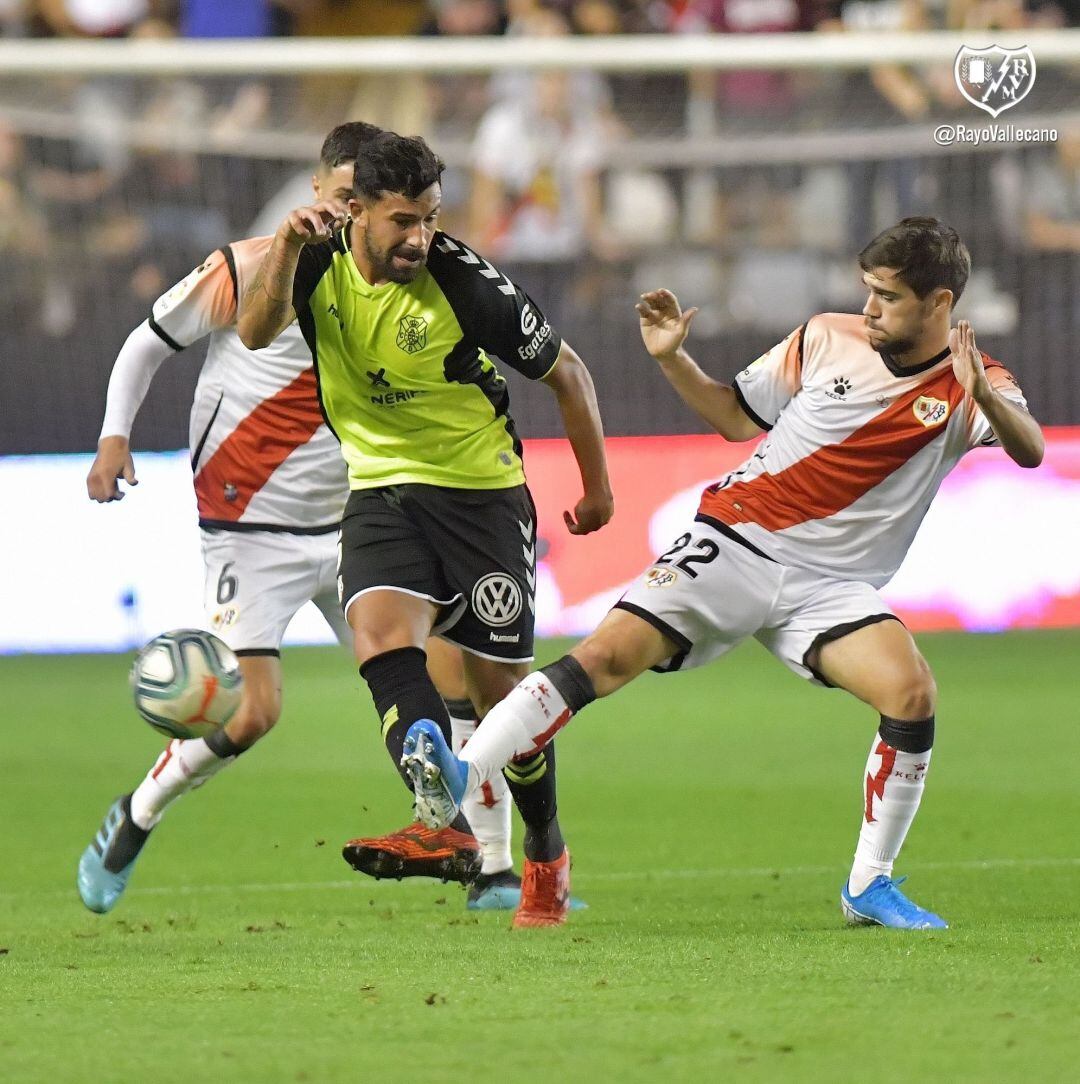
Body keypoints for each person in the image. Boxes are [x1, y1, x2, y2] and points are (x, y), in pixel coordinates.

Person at [403, 216, 1045, 929]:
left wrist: (980, 398)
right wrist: (674, 358)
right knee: (606, 657)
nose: (869, 308)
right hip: (739, 538)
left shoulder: (978, 384)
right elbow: (736, 419)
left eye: (887, 297)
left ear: (939, 305)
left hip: (829, 587)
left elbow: (1030, 450)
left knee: (911, 691)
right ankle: (461, 784)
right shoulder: (827, 335)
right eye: (868, 291)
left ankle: (869, 887)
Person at [76, 123, 523, 915]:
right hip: (249, 525)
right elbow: (147, 343)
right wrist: (115, 436)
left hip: (360, 513)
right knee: (254, 711)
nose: (353, 210)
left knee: (457, 677)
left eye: (367, 201)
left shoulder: (406, 281)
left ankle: (491, 867)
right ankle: (135, 818)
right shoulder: (253, 265)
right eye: (345, 195)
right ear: (318, 192)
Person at [237, 131, 613, 928]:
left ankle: (544, 844)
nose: (419, 236)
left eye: (430, 217)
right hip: (381, 485)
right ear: (356, 211)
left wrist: (600, 491)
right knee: (378, 634)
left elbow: (570, 375)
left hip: (481, 496)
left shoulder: (463, 281)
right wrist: (281, 252)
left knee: (500, 699)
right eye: (402, 219)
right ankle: (440, 825)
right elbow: (252, 331)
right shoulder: (311, 257)